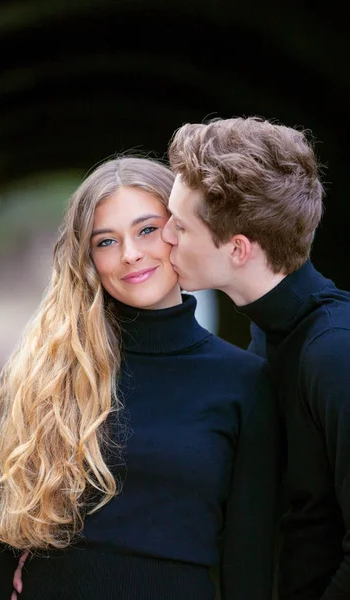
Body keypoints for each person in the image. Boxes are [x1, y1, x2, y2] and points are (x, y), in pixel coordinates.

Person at [0, 156, 279, 600]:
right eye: (106, 241)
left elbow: (248, 562)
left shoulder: (245, 381)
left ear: (182, 231)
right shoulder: (44, 374)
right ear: (88, 257)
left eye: (147, 229)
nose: (130, 254)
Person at [162, 116, 350, 600]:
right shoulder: (271, 337)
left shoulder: (335, 351)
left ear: (239, 249)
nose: (164, 236)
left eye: (180, 226)